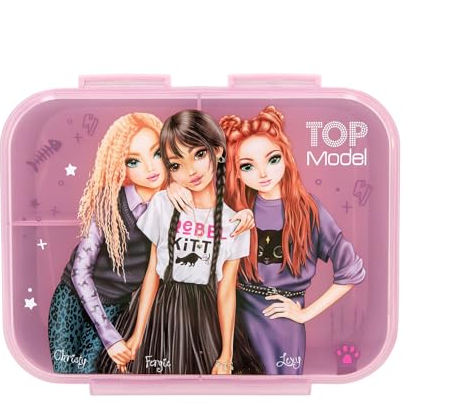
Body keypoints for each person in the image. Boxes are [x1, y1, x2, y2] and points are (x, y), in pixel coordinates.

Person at [48, 112, 254, 373]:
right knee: (67, 370)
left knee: (92, 370)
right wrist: (117, 337)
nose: (150, 168)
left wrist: (245, 215)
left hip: (123, 305)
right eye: (133, 161)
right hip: (77, 297)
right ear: (119, 166)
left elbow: (223, 283)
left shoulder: (175, 198)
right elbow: (83, 272)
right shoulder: (120, 203)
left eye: (157, 155)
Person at [219, 106, 366, 375]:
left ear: (285, 158)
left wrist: (305, 313)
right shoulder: (236, 210)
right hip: (234, 317)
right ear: (236, 173)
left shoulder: (308, 210)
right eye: (248, 166)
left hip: (283, 322)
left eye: (272, 159)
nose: (263, 173)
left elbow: (351, 269)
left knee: (281, 386)